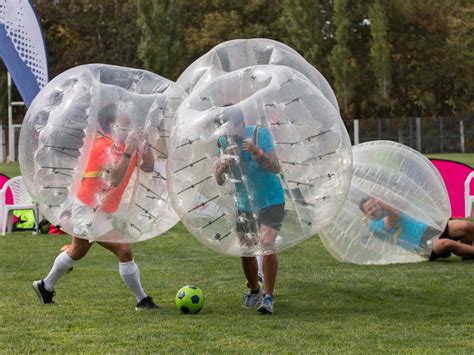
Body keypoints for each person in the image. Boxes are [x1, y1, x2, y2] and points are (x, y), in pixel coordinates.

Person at [33, 105, 159, 310]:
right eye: (125, 124)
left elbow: (148, 167)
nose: (130, 127)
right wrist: (129, 150)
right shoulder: (102, 146)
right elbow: (115, 179)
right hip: (87, 208)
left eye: (130, 123)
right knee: (124, 250)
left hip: (98, 209)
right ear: (112, 126)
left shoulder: (127, 145)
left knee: (77, 251)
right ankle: (142, 300)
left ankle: (44, 286)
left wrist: (145, 146)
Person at [214, 106, 285, 314]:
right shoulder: (223, 142)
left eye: (229, 128)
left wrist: (257, 152)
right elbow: (218, 180)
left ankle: (268, 296)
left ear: (241, 125)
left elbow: (275, 167)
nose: (226, 134)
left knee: (267, 243)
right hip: (245, 204)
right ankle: (255, 291)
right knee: (246, 251)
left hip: (271, 199)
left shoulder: (259, 134)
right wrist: (226, 163)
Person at [359, 197, 474, 261]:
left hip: (429, 228)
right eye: (369, 209)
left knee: (465, 226)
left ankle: (467, 254)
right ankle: (468, 251)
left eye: (373, 205)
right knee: (446, 243)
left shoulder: (389, 208)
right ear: (365, 214)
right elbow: (394, 216)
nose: (373, 209)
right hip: (422, 245)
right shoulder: (374, 226)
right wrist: (383, 203)